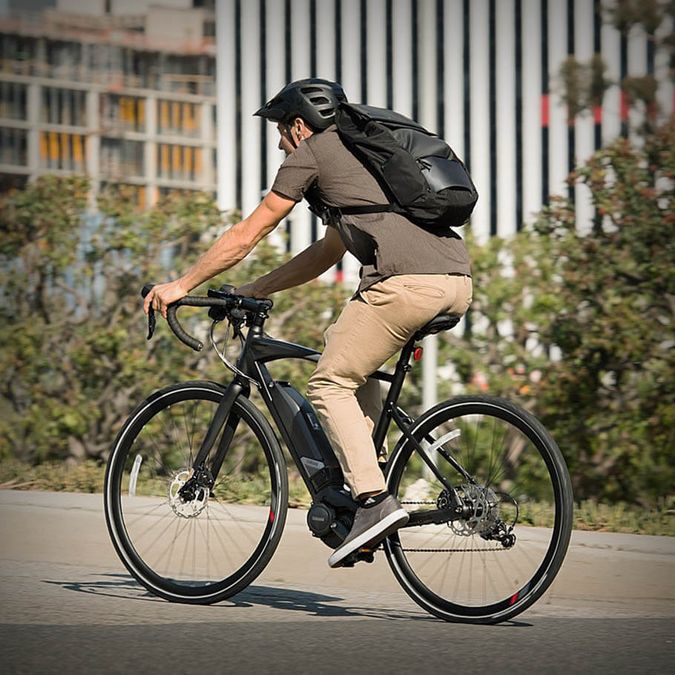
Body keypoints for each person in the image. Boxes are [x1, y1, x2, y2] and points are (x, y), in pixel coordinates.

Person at [143, 78, 473, 568]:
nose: (279, 142)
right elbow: (326, 252)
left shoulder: (315, 150)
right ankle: (369, 472)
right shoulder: (361, 156)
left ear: (299, 125)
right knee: (343, 354)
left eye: (280, 130)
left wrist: (182, 284)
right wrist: (255, 290)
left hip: (405, 284)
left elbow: (248, 232)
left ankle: (373, 502)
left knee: (328, 383)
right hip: (454, 281)